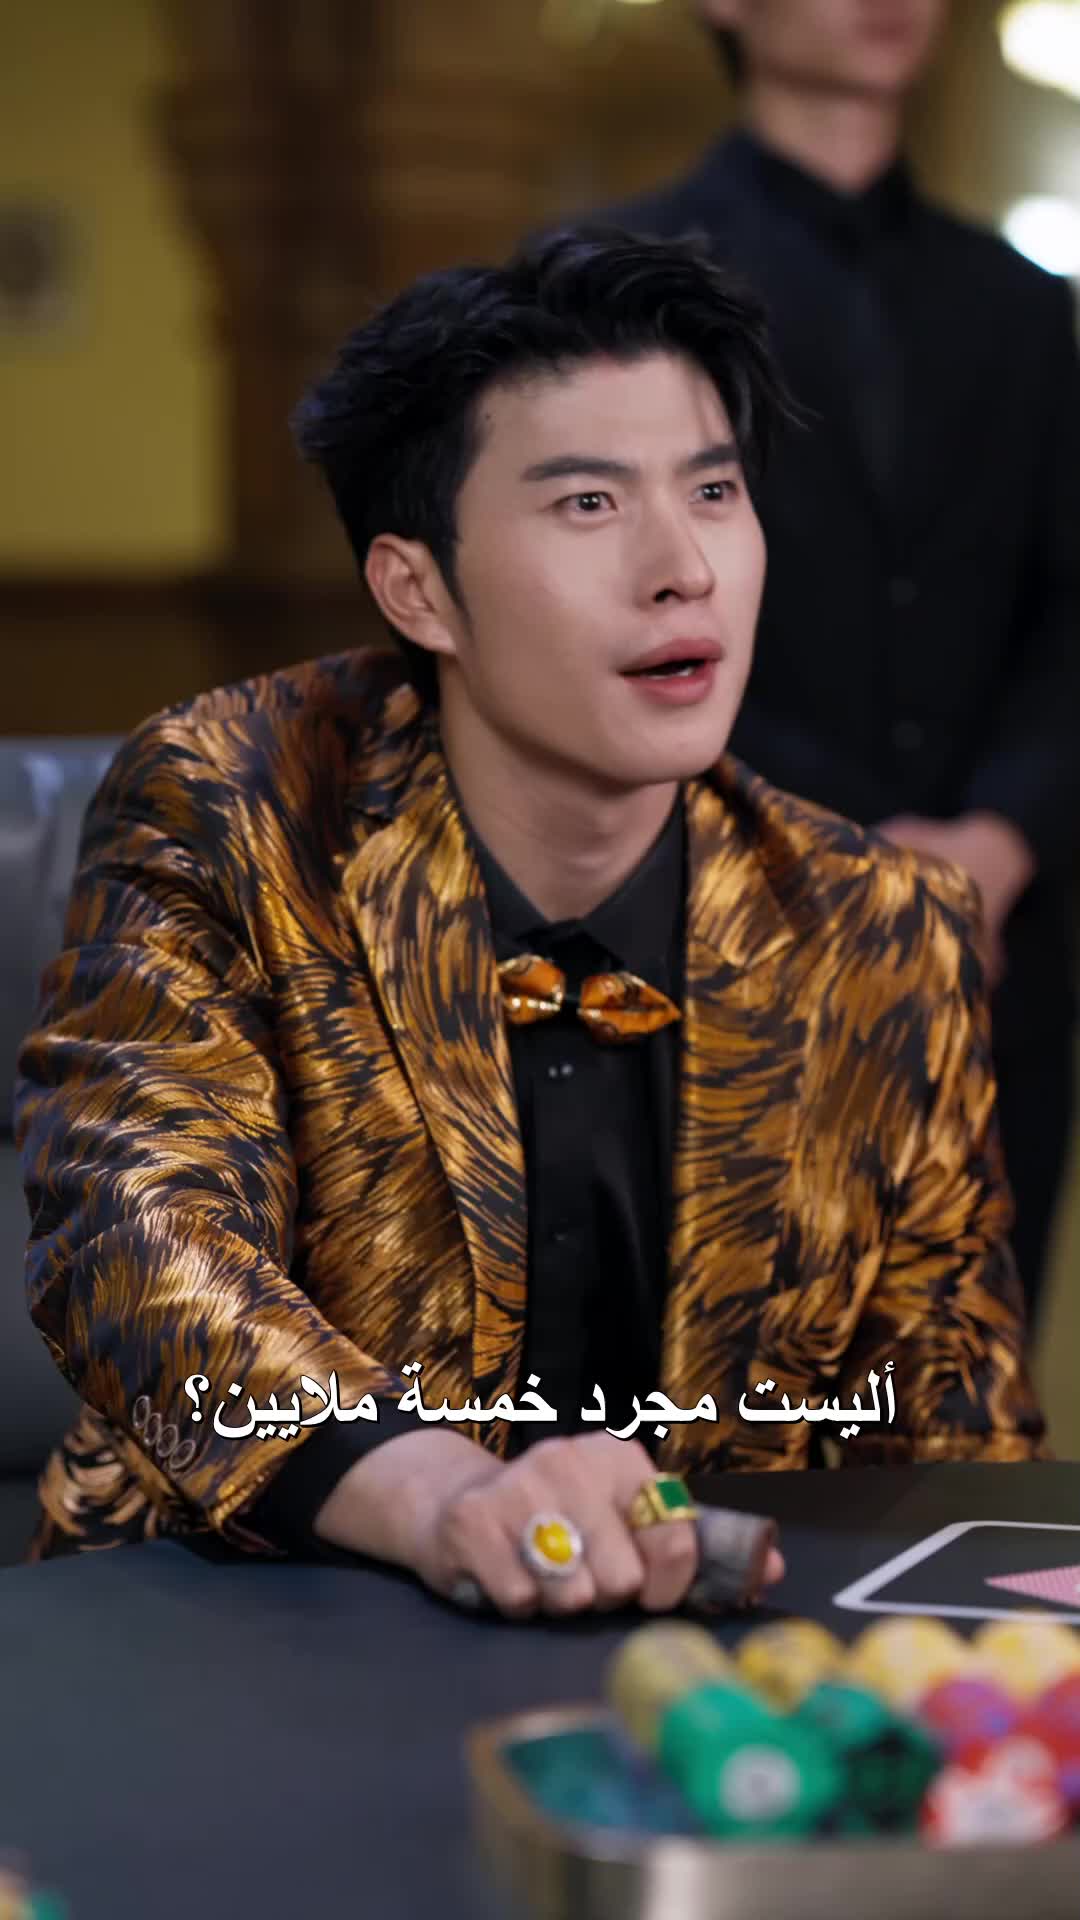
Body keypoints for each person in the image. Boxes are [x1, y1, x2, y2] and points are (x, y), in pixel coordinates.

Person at [15, 229, 1045, 1619]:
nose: (683, 567)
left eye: (714, 490)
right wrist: (444, 1495)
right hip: (249, 1623)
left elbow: (954, 1448)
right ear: (419, 590)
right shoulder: (233, 809)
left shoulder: (881, 933)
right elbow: (141, 1240)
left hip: (693, 1657)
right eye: (588, 504)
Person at [593, 0, 1080, 1329]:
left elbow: (1071, 617)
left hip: (994, 956)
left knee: (973, 1387)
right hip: (713, 936)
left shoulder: (1023, 300)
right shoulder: (611, 286)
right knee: (710, 1399)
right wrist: (849, 847)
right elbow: (602, 618)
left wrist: (996, 841)